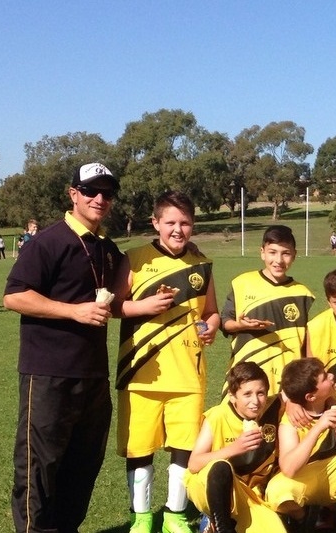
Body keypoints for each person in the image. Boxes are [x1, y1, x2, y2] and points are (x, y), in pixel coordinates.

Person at [3, 162, 122, 533]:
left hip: (93, 376)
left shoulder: (107, 248)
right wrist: (73, 311)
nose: (99, 199)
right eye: (90, 191)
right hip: (49, 373)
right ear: (74, 195)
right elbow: (14, 296)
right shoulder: (48, 242)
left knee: (83, 464)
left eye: (107, 192)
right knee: (40, 467)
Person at [113, 191, 221, 533]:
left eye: (185, 223)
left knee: (184, 449)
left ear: (193, 225)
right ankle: (141, 516)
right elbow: (115, 307)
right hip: (141, 374)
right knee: (139, 449)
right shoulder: (135, 258)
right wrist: (144, 307)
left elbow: (212, 312)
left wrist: (211, 328)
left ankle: (175, 515)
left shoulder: (201, 264)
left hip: (188, 376)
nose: (178, 229)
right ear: (156, 223)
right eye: (170, 222)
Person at [265, 358, 336, 533]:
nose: (331, 376)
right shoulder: (291, 421)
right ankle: (304, 517)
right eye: (324, 378)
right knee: (276, 492)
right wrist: (319, 428)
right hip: (309, 477)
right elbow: (289, 468)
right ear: (311, 396)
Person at [185, 362, 287, 533]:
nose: (255, 401)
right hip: (205, 485)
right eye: (247, 394)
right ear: (232, 396)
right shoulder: (218, 415)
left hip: (249, 495)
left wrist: (326, 399)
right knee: (220, 467)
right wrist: (234, 448)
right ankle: (221, 525)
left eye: (260, 393)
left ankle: (218, 524)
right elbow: (194, 463)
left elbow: (300, 388)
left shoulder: (274, 407)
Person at [220, 225, 314, 396]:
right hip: (245, 381)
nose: (278, 260)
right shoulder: (242, 283)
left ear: (294, 255)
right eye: (272, 252)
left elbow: (307, 345)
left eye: (285, 253)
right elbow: (225, 321)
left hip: (285, 385)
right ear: (262, 252)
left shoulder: (304, 294)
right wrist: (240, 325)